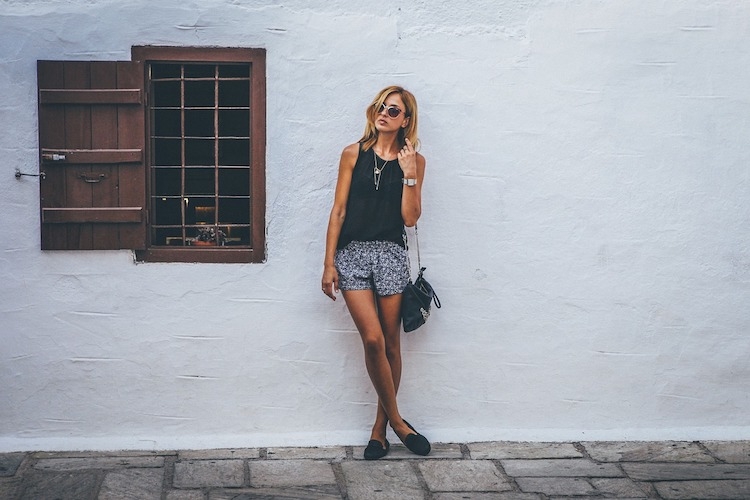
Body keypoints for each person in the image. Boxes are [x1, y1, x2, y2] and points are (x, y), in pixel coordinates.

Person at [322, 86, 430, 460]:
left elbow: (410, 218)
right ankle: (400, 423)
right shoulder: (353, 153)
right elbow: (338, 210)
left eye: (393, 110)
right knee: (372, 340)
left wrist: (409, 174)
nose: (384, 113)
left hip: (390, 254)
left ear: (406, 120)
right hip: (352, 254)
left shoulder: (415, 161)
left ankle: (379, 431)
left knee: (391, 343)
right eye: (381, 106)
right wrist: (329, 262)